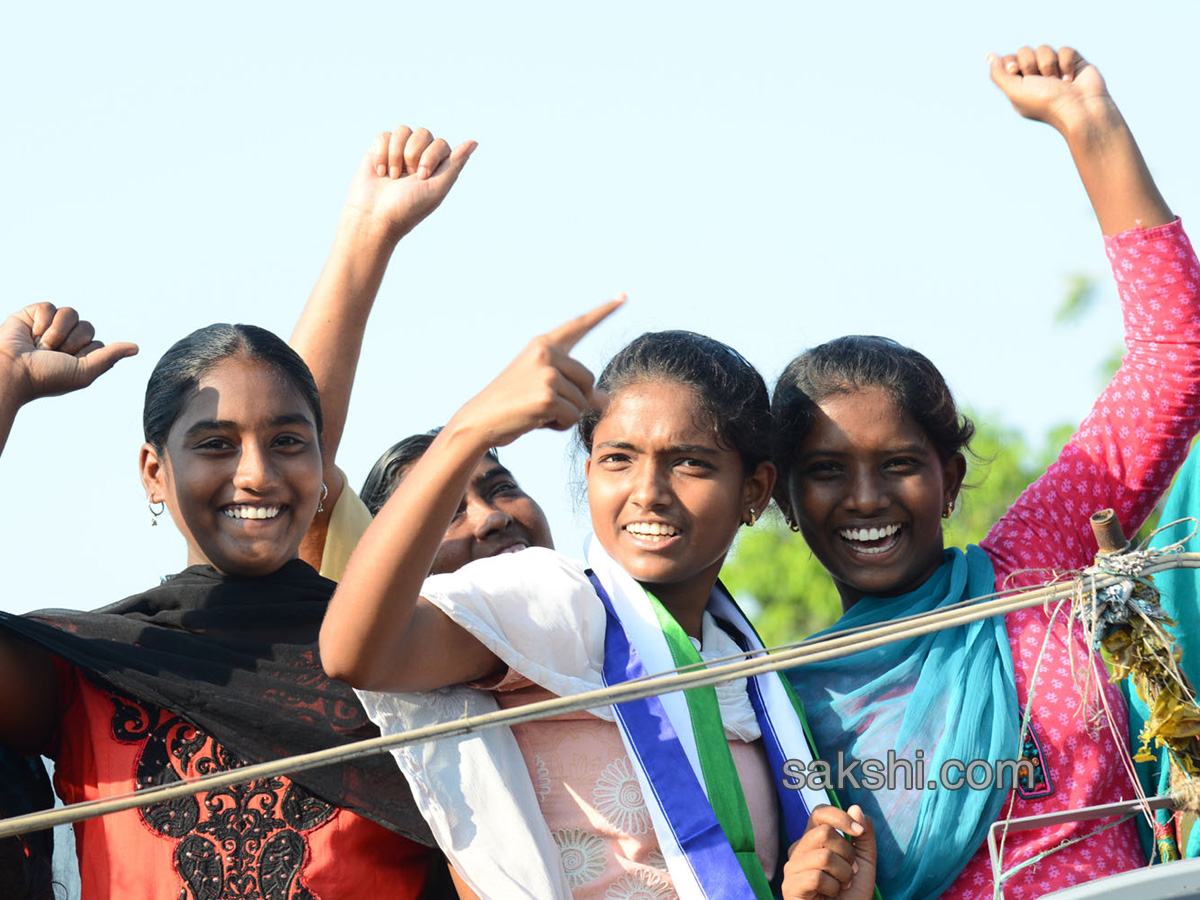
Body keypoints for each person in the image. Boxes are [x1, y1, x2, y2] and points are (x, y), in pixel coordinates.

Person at [0, 123, 474, 899]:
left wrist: (369, 233)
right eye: (215, 445)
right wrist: (4, 382)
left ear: (323, 471)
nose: (256, 475)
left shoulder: (398, 654)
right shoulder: (88, 669)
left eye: (289, 444)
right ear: (155, 473)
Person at [772, 46, 1200, 899]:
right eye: (827, 471)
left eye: (898, 465)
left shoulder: (1035, 563)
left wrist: (1090, 126)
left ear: (950, 476)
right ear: (785, 497)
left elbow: (1175, 358)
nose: (865, 499)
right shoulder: (774, 706)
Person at [320, 308, 852, 898]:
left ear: (753, 489)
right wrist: (471, 430)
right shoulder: (559, 599)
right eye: (618, 459)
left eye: (689, 463)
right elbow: (355, 653)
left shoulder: (749, 668)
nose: (647, 493)